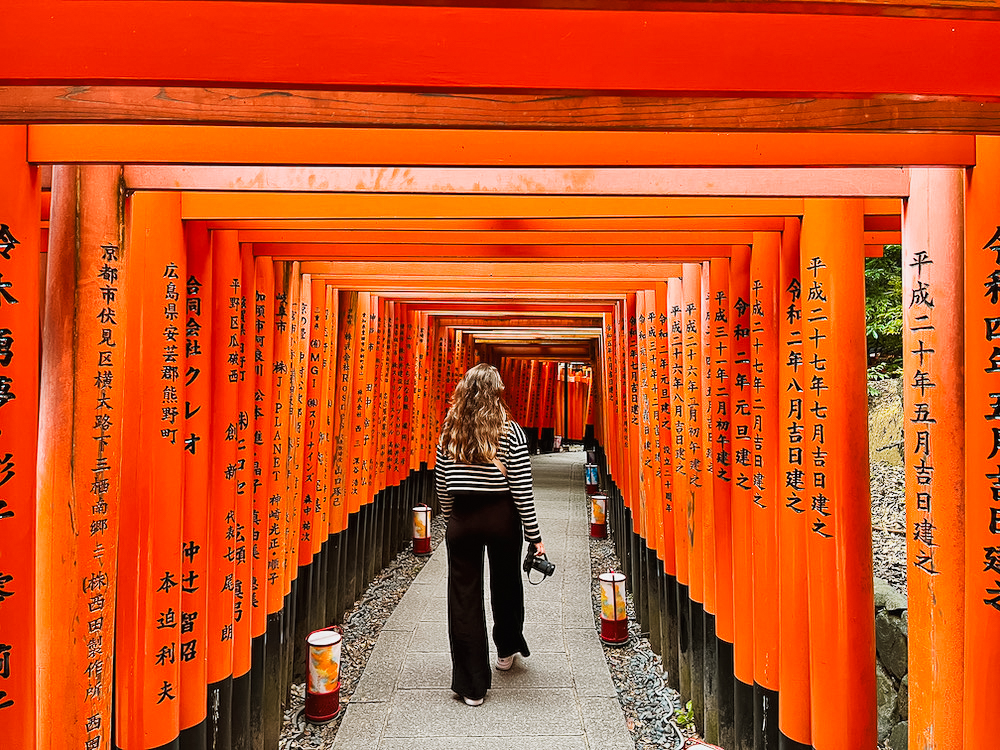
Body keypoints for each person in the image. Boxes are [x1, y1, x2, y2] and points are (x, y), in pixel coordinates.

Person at [435, 363, 546, 706]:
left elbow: (442, 486)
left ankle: (472, 685)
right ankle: (507, 648)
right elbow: (522, 489)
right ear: (497, 392)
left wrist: (451, 513)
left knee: (464, 597)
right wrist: (535, 536)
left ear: (464, 391)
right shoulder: (511, 432)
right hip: (501, 517)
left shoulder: (449, 430)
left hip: (463, 519)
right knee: (506, 582)